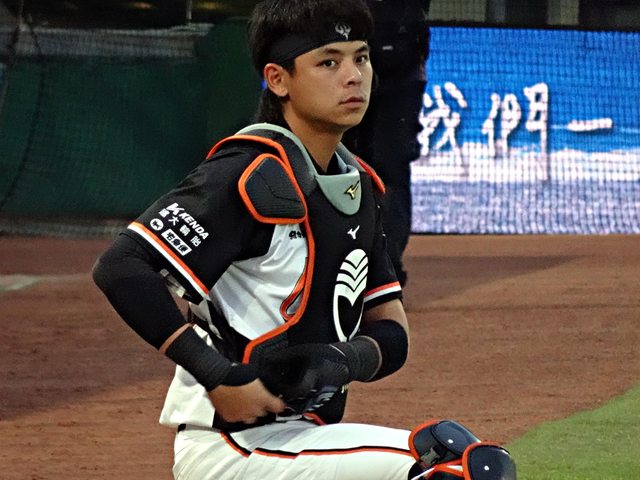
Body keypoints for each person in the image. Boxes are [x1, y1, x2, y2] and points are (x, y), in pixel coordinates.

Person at [93, 1, 515, 479]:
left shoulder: (358, 188)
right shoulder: (248, 173)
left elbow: (392, 333)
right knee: (455, 466)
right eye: (328, 62)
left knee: (452, 451)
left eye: (361, 57)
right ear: (278, 80)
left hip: (299, 439)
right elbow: (121, 266)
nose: (354, 76)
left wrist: (341, 360)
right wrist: (216, 375)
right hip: (231, 447)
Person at [342, 0, 431, 287]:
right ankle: (339, 261)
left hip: (401, 70)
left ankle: (386, 273)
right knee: (342, 164)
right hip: (346, 64)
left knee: (389, 168)